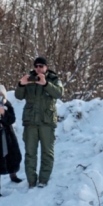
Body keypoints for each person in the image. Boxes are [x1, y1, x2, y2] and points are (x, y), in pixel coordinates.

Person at [14, 56, 64, 188]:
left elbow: (59, 93)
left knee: (47, 152)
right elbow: (18, 96)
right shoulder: (30, 79)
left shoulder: (53, 79)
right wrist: (21, 84)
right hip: (30, 122)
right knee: (30, 153)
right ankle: (31, 181)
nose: (38, 68)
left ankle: (43, 180)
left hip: (46, 122)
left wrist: (45, 84)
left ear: (46, 67)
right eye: (36, 66)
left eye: (41, 66)